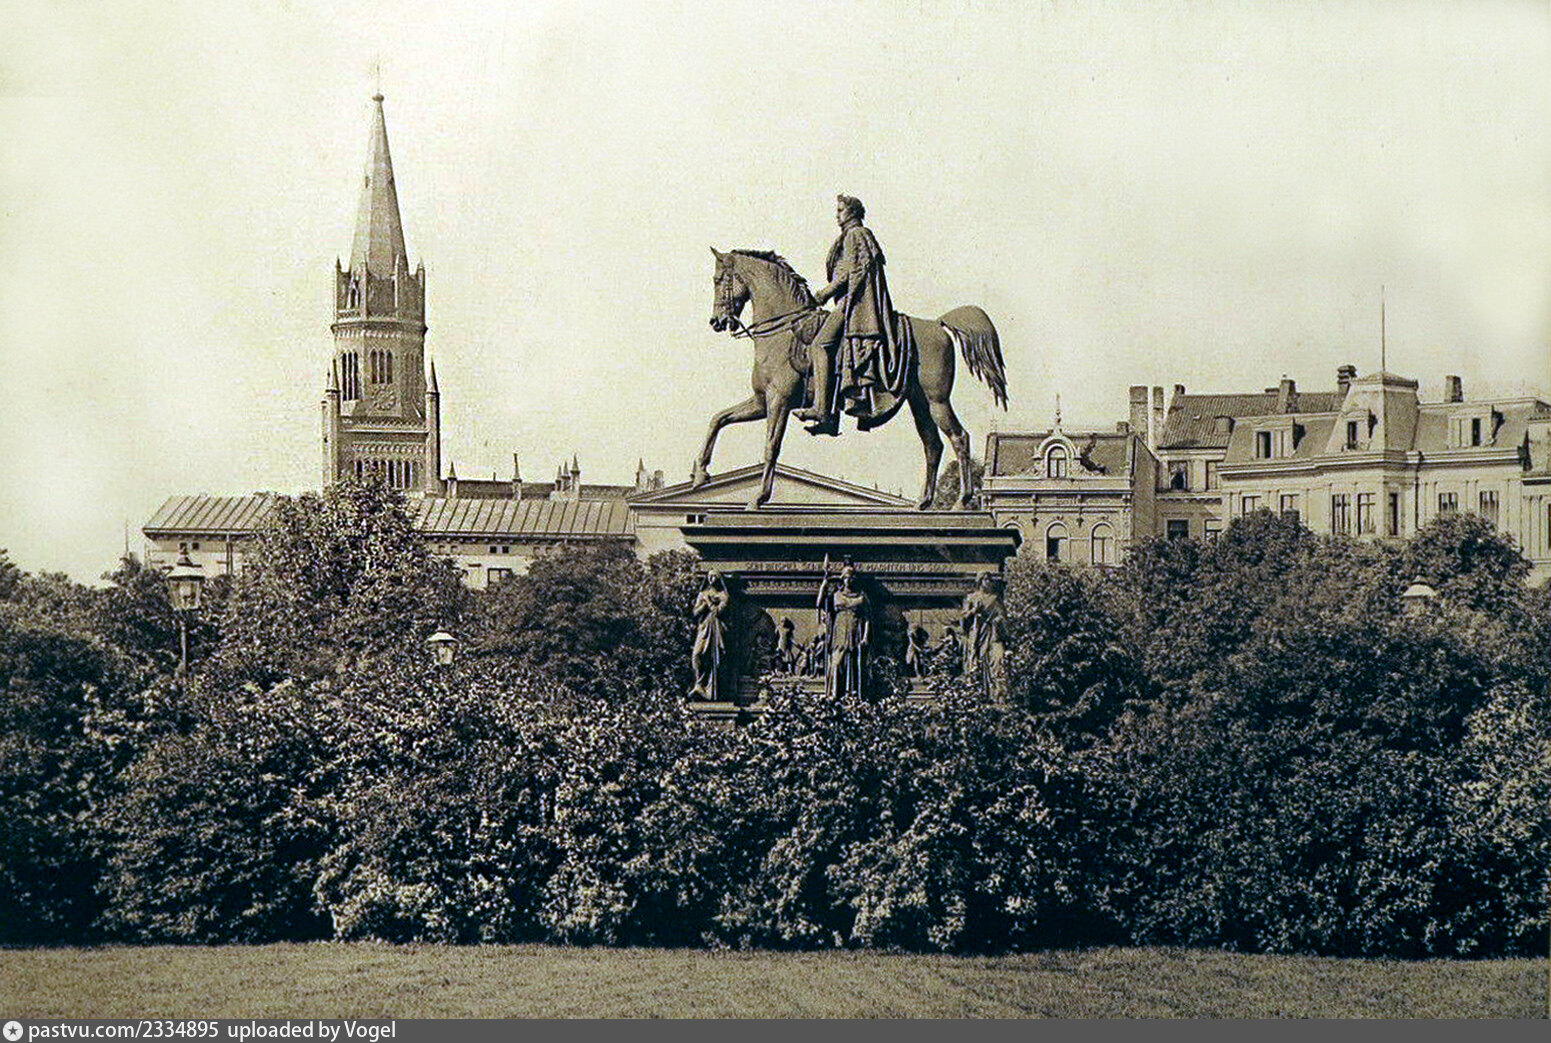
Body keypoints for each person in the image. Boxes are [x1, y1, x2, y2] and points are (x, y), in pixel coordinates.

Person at [794, 195, 907, 436]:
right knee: (834, 349)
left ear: (852, 212)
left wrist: (823, 294)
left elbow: (850, 274)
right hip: (847, 301)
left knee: (819, 345)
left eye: (841, 210)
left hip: (853, 304)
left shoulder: (855, 235)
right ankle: (831, 417)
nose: (837, 215)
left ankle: (821, 409)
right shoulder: (851, 235)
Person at [817, 561, 870, 698]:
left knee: (853, 662)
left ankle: (852, 695)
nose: (849, 580)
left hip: (855, 631)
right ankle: (834, 694)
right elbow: (819, 603)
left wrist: (865, 636)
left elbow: (867, 617)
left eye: (851, 577)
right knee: (837, 663)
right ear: (842, 579)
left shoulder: (861, 597)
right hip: (839, 632)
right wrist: (824, 584)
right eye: (846, 577)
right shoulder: (836, 595)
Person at [961, 573, 1008, 703]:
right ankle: (976, 692)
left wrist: (997, 620)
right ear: (980, 581)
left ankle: (995, 693)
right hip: (977, 632)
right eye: (986, 579)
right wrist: (974, 611)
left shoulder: (994, 598)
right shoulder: (971, 597)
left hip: (991, 632)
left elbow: (1002, 615)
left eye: (990, 580)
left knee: (996, 658)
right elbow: (964, 617)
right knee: (976, 659)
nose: (989, 582)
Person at [688, 570, 731, 701]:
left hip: (718, 628)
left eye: (715, 576)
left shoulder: (724, 595)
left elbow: (718, 611)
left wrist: (708, 602)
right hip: (704, 628)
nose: (712, 579)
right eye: (710, 577)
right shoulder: (703, 594)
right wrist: (703, 605)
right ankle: (699, 684)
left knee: (718, 658)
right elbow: (695, 613)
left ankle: (717, 691)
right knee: (697, 654)